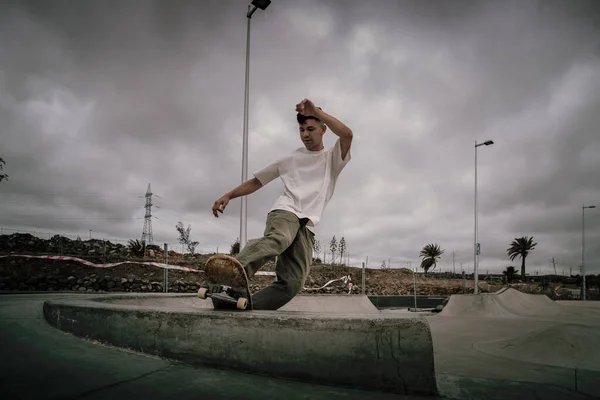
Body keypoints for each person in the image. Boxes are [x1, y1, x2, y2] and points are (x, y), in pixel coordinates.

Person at [211, 98, 353, 310]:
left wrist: (318, 111)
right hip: (286, 212)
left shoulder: (332, 158)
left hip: (308, 224)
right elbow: (257, 181)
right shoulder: (290, 158)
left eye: (311, 129)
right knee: (279, 238)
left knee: (293, 283)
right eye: (301, 129)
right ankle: (229, 278)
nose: (305, 134)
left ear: (323, 130)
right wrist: (229, 195)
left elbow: (347, 134)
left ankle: (242, 304)